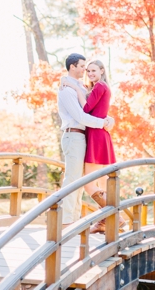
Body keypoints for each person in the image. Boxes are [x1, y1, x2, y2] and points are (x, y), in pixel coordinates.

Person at [61, 59, 122, 233]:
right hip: (98, 135)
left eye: (93, 70)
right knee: (100, 184)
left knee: (88, 184)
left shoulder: (100, 87)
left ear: (102, 71)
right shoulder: (99, 87)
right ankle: (104, 221)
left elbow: (86, 110)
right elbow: (95, 109)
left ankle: (117, 217)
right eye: (88, 71)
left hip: (96, 136)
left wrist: (74, 89)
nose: (90, 74)